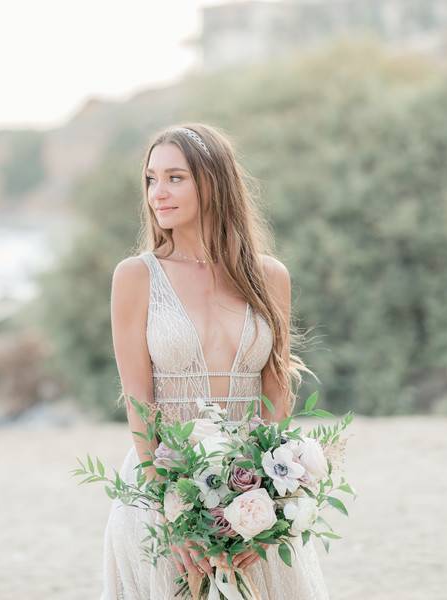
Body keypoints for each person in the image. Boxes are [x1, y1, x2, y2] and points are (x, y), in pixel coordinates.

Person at [101, 124, 329, 599]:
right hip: (164, 479)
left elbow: (275, 391)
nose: (157, 193)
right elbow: (139, 402)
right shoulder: (136, 277)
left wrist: (266, 504)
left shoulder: (268, 276)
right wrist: (169, 507)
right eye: (150, 179)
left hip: (253, 484)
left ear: (213, 182)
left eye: (175, 178)